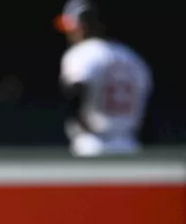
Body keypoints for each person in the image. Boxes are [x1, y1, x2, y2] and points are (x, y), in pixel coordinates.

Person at [55, 0, 152, 156]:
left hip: (91, 145)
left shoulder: (81, 54)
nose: (69, 33)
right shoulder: (133, 58)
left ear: (82, 26)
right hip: (130, 146)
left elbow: (72, 93)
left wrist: (78, 123)